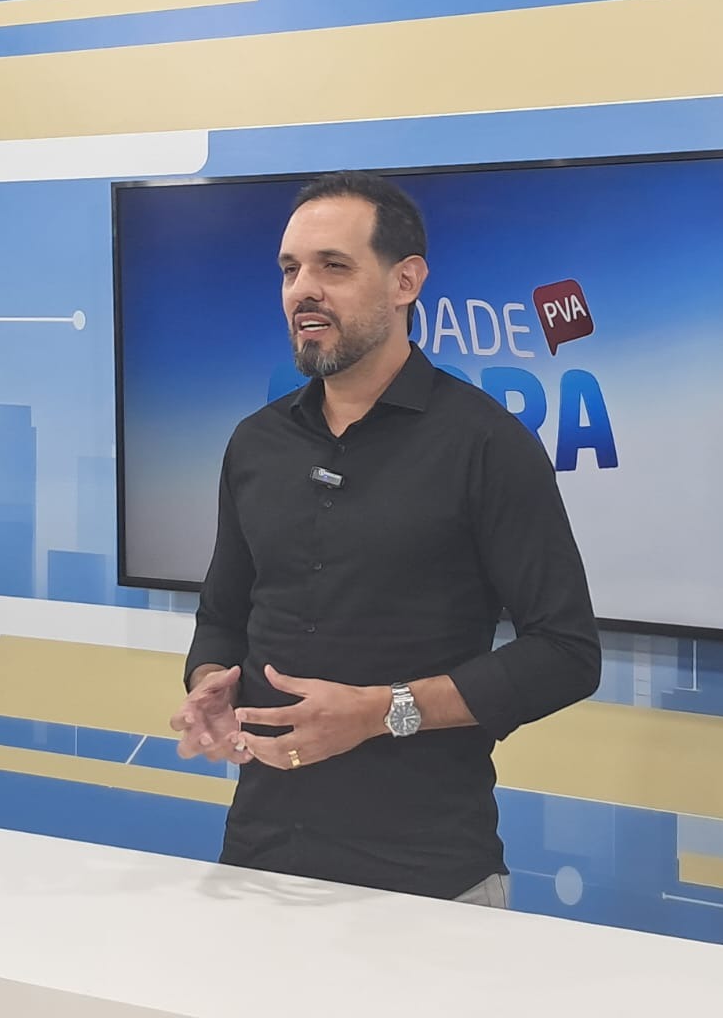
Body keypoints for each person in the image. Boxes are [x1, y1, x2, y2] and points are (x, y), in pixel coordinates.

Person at [170, 169, 601, 907]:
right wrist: (211, 680)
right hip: (259, 863)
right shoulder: (255, 444)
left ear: (406, 281)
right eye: (290, 270)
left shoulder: (486, 444)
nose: (303, 290)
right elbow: (223, 614)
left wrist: (382, 712)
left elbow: (566, 654)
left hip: (428, 880)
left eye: (333, 267)